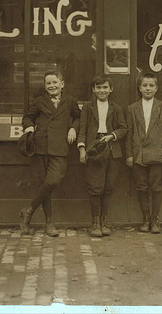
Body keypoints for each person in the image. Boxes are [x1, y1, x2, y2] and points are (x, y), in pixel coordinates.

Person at [20, 70, 81, 237]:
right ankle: (49, 223)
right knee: (43, 183)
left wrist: (73, 128)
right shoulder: (39, 102)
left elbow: (78, 117)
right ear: (45, 87)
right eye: (49, 83)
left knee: (53, 181)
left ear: (62, 84)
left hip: (60, 147)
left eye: (55, 82)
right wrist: (29, 126)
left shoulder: (70, 102)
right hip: (41, 146)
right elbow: (27, 117)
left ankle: (28, 211)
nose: (52, 86)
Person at [125, 72, 162, 234]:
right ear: (139, 88)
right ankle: (145, 218)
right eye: (144, 85)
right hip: (139, 154)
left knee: (156, 187)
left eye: (151, 85)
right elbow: (130, 133)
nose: (148, 88)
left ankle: (155, 219)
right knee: (141, 187)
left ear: (156, 88)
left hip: (157, 153)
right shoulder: (132, 109)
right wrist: (129, 155)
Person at [77, 74, 127, 237]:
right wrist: (82, 149)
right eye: (98, 87)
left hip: (112, 149)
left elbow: (123, 129)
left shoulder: (116, 108)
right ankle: (95, 223)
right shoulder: (87, 107)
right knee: (95, 187)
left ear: (111, 89)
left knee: (108, 186)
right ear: (93, 89)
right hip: (94, 149)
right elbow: (82, 129)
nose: (102, 90)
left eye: (105, 87)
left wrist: (112, 136)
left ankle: (104, 221)